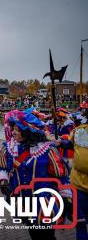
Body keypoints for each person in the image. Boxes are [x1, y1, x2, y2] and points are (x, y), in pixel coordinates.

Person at [0, 111, 71, 240]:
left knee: (46, 235)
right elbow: (2, 167)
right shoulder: (10, 147)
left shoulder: (47, 149)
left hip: (44, 201)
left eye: (17, 130)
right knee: (33, 232)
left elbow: (61, 175)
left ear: (28, 131)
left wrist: (66, 198)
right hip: (23, 200)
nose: (13, 132)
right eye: (13, 128)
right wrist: (3, 181)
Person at [68, 102, 88, 240]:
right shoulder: (79, 130)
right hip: (78, 185)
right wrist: (60, 143)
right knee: (80, 222)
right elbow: (69, 144)